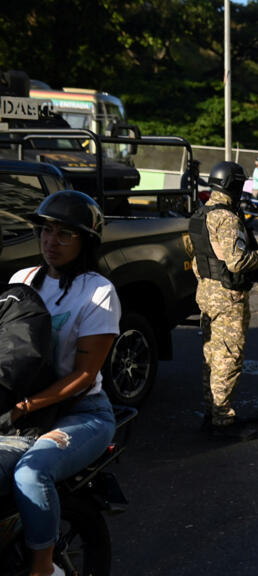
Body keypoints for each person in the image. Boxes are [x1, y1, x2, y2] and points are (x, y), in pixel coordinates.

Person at [1, 191, 121, 576]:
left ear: (86, 240)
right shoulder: (22, 280)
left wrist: (24, 407)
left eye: (65, 234)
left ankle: (43, 568)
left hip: (79, 413)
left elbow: (85, 376)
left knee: (30, 473)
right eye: (47, 231)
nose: (51, 241)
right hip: (21, 410)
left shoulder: (98, 292)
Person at [188, 161, 258, 440]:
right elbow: (237, 261)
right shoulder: (226, 218)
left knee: (212, 356)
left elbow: (195, 259)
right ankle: (222, 419)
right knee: (228, 357)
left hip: (207, 294)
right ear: (234, 185)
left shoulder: (201, 213)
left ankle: (213, 412)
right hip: (228, 297)